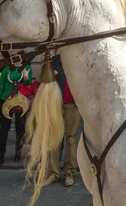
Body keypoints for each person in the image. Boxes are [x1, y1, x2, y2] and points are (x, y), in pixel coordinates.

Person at [42, 51, 82, 187]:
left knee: (71, 139)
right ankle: (53, 173)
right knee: (54, 139)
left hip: (72, 104)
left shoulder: (77, 59)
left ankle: (69, 172)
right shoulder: (52, 61)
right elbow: (42, 80)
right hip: (55, 104)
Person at [0, 64, 32, 165]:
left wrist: (26, 77)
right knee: (4, 129)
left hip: (20, 101)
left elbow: (29, 85)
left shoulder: (27, 68)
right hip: (5, 100)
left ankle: (18, 152)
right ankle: (0, 155)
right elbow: (1, 86)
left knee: (20, 128)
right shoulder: (6, 68)